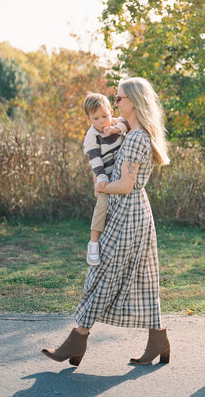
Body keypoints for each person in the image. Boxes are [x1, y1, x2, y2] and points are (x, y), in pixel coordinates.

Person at [41, 77, 171, 366]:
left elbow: (125, 185)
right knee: (144, 278)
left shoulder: (137, 138)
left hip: (129, 213)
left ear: (134, 101)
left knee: (101, 274)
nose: (115, 104)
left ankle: (77, 339)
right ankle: (158, 338)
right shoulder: (131, 132)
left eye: (119, 98)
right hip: (131, 211)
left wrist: (102, 186)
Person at [82, 92, 129, 266]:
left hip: (122, 174)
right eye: (96, 118)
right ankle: (93, 242)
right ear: (89, 119)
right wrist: (101, 176)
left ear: (111, 111)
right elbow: (94, 159)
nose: (102, 122)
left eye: (105, 116)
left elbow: (128, 122)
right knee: (101, 205)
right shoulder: (92, 137)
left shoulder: (114, 122)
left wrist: (116, 129)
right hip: (105, 176)